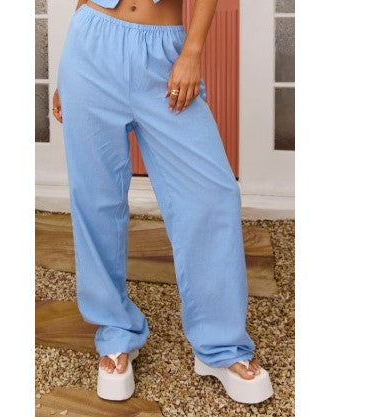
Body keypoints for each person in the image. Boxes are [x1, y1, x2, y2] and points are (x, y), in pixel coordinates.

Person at [53, 0, 273, 403]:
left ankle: (221, 345)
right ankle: (115, 331)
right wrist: (68, 66)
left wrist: (192, 52)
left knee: (212, 196)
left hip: (164, 53)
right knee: (95, 201)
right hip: (90, 48)